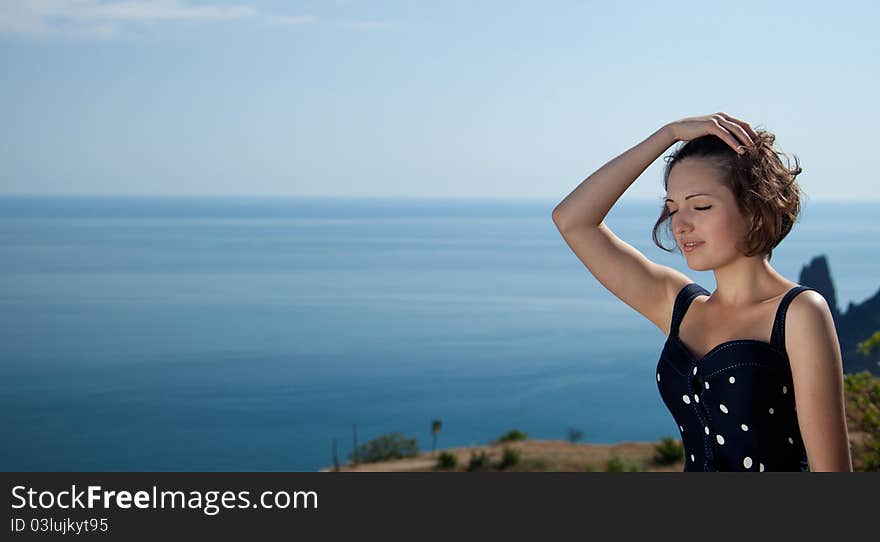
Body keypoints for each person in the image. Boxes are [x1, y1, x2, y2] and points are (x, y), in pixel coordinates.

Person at [551, 113, 853, 472]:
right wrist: (667, 135)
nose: (680, 224)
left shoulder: (799, 312)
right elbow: (572, 220)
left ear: (755, 211)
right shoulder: (677, 306)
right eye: (673, 207)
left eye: (701, 206)